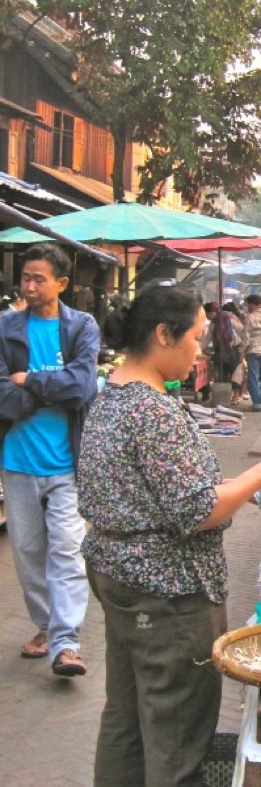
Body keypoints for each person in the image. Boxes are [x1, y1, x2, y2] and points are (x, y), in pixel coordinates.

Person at [79, 283, 261, 785]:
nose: (200, 350)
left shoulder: (111, 396)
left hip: (119, 578)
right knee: (178, 734)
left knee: (127, 719)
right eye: (195, 337)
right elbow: (198, 510)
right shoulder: (151, 409)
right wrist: (254, 479)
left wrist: (229, 486)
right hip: (167, 591)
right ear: (162, 334)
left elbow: (153, 489)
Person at [0, 243, 100, 675]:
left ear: (62, 283)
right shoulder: (6, 329)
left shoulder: (81, 327)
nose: (29, 285)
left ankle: (65, 642)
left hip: (65, 464)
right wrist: (40, 392)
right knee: (27, 552)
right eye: (25, 277)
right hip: (18, 461)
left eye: (39, 278)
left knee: (66, 552)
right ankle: (45, 626)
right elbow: (2, 391)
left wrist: (29, 381)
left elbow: (81, 387)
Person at [222, 301, 246, 404]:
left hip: (234, 350)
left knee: (234, 374)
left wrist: (242, 350)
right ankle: (235, 396)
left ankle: (236, 396)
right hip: (233, 350)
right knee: (235, 374)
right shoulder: (233, 319)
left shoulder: (233, 320)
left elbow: (243, 334)